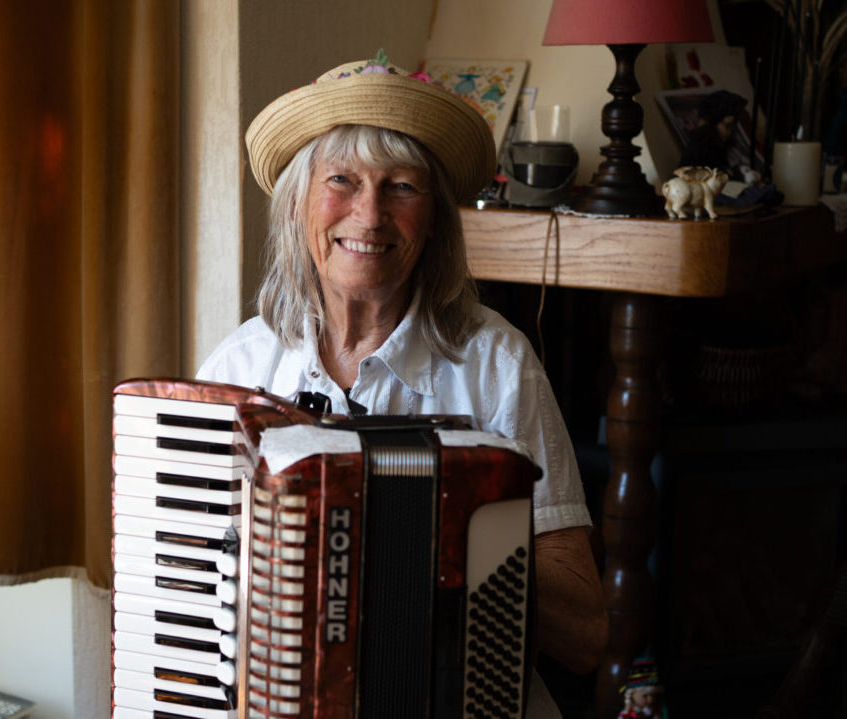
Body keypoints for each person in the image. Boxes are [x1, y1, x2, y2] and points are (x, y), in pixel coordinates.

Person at [196, 53, 607, 716]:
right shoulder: (237, 371)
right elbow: (185, 586)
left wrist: (466, 535)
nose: (370, 213)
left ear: (436, 219)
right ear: (299, 203)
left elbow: (586, 632)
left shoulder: (498, 365)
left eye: (402, 187)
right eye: (342, 180)